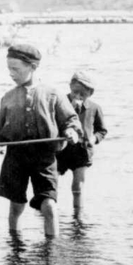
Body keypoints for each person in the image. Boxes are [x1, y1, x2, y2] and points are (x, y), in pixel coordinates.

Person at [0, 42, 83, 238]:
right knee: (16, 206)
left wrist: (72, 132)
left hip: (45, 158)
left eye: (16, 69)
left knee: (49, 205)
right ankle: (15, 244)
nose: (11, 73)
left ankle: (52, 249)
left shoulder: (53, 94)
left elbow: (71, 120)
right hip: (16, 158)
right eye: (9, 69)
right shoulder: (8, 98)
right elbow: (1, 132)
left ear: (32, 67)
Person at [56, 71, 108, 216]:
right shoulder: (61, 103)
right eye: (75, 92)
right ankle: (47, 208)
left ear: (90, 93)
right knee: (52, 178)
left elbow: (102, 130)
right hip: (62, 150)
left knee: (78, 185)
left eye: (82, 94)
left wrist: (94, 139)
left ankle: (78, 215)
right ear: (70, 87)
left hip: (82, 150)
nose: (78, 96)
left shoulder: (94, 108)